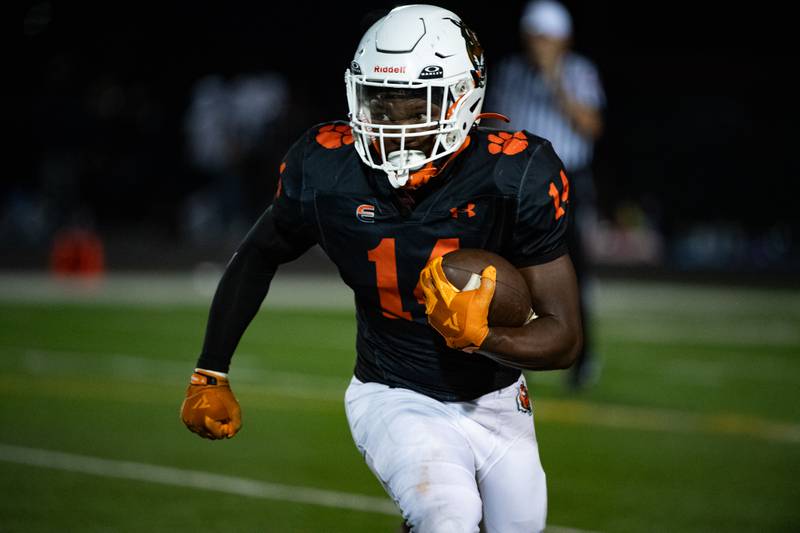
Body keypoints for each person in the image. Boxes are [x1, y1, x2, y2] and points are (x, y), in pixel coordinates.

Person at [180, 5, 582, 532]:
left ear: (464, 97)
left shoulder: (515, 174)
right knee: (448, 517)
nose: (392, 122)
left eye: (415, 105)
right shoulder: (326, 166)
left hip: (499, 399)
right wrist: (211, 367)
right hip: (392, 391)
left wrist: (485, 336)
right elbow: (259, 253)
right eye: (379, 101)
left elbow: (565, 338)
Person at [487, 0, 605, 389]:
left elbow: (590, 125)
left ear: (562, 39)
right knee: (507, 271)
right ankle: (509, 354)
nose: (536, 43)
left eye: (544, 36)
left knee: (572, 274)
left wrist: (555, 78)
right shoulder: (510, 71)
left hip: (566, 181)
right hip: (516, 181)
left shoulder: (579, 72)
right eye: (532, 35)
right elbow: (498, 126)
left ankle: (581, 357)